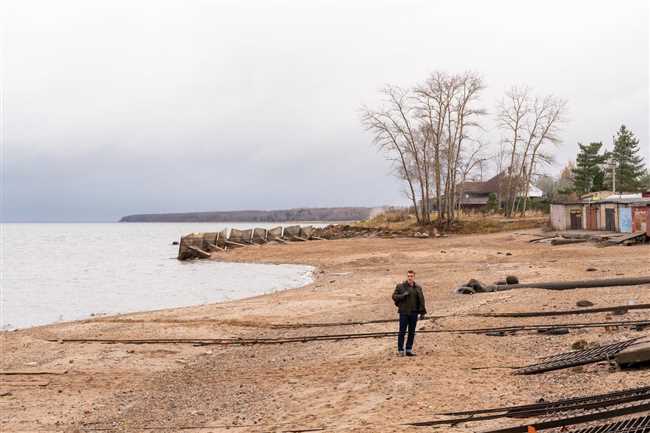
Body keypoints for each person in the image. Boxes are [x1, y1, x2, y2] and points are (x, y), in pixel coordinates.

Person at [392, 270, 427, 356]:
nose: (410, 278)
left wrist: (422, 312)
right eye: (408, 276)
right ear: (407, 277)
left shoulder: (418, 288)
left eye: (411, 276)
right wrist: (403, 295)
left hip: (414, 313)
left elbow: (421, 300)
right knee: (402, 332)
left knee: (411, 332)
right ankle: (400, 350)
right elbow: (394, 296)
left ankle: (408, 350)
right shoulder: (400, 286)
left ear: (414, 277)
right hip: (404, 312)